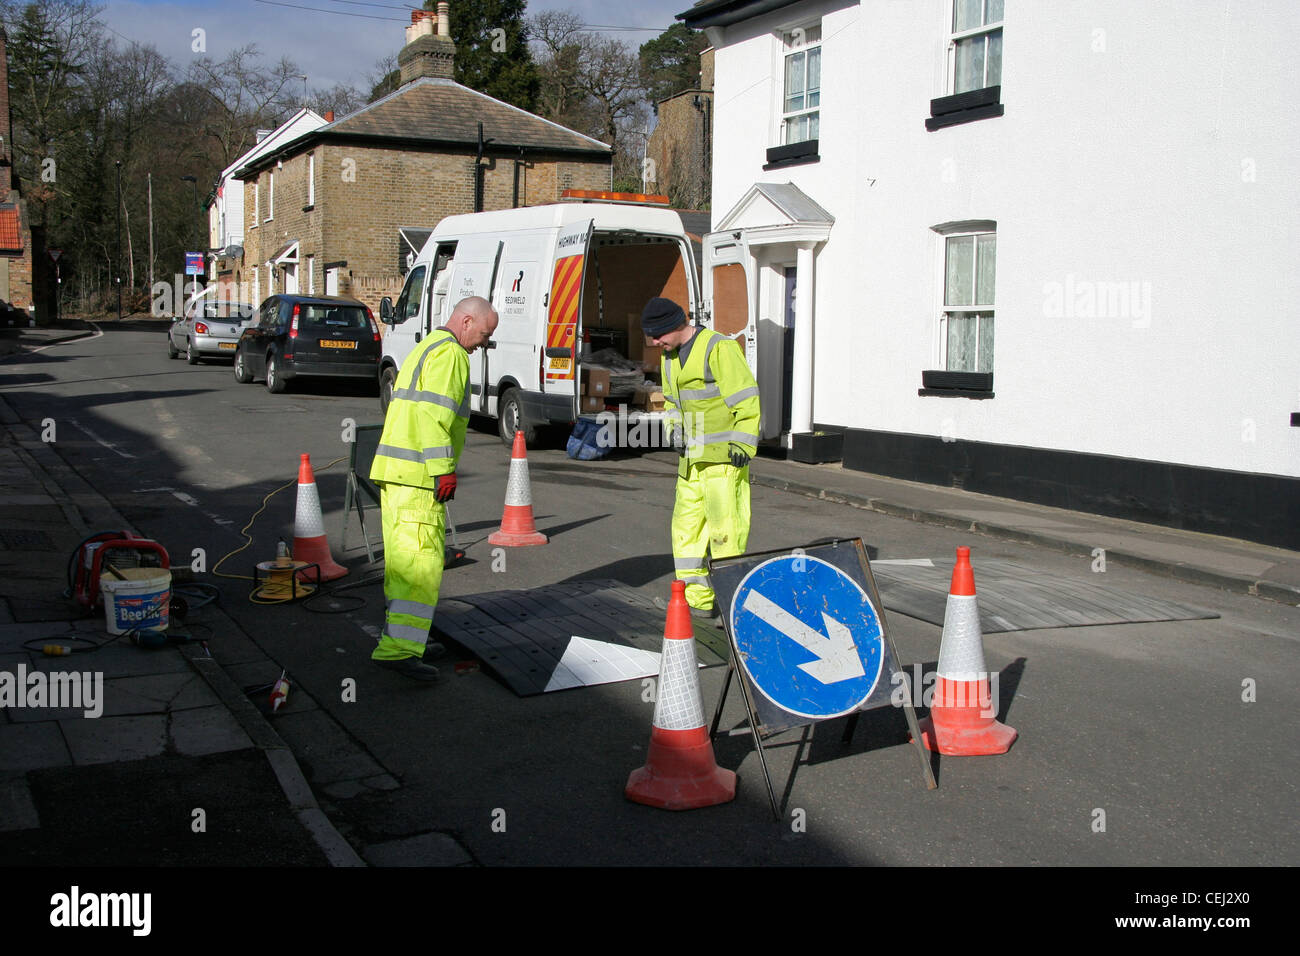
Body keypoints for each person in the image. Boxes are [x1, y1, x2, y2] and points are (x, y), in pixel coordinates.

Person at [370, 296, 499, 680]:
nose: (483, 342)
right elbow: (433, 416)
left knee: (401, 563)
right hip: (418, 478)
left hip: (397, 472)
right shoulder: (454, 356)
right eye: (483, 333)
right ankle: (399, 650)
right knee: (420, 566)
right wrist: (443, 470)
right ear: (465, 321)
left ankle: (408, 637)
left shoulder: (427, 345)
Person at [640, 297, 760, 624]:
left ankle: (732, 603)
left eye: (657, 335)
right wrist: (674, 431)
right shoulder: (669, 358)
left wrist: (744, 442)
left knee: (725, 535)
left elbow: (746, 398)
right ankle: (698, 601)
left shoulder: (718, 348)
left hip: (723, 461)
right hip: (691, 464)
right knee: (686, 534)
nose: (654, 343)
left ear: (674, 326)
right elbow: (673, 404)